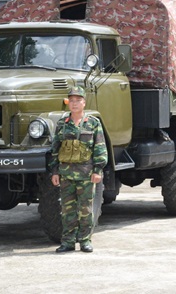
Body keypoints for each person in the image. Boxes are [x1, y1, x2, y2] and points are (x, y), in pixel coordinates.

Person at [49, 86, 108, 253]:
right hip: (66, 174)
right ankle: (67, 242)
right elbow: (55, 149)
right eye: (71, 101)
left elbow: (100, 148)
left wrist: (98, 170)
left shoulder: (93, 123)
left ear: (84, 102)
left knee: (85, 209)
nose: (74, 104)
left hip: (86, 174)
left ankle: (85, 240)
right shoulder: (62, 124)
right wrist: (54, 171)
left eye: (78, 100)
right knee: (67, 210)